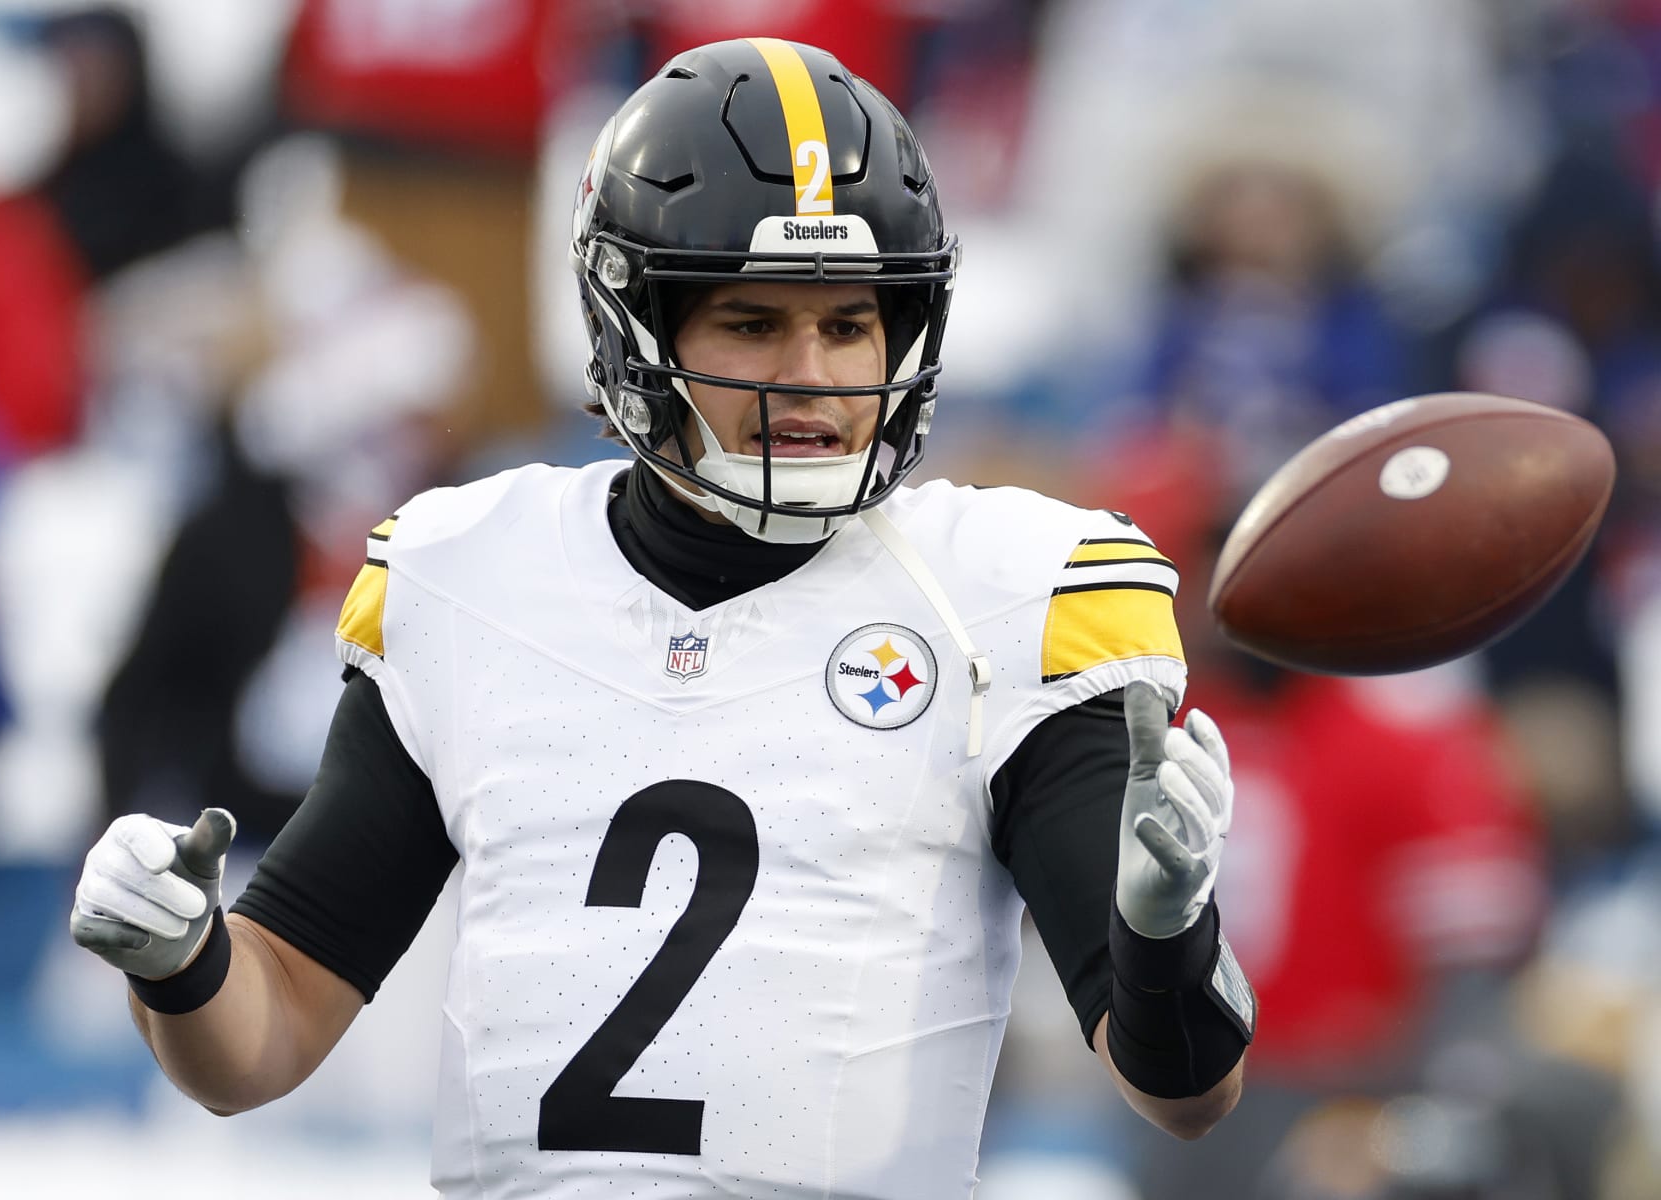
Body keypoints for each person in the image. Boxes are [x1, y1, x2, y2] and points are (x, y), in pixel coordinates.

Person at [68, 39, 1253, 1198]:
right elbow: (265, 1033)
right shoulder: (472, 578)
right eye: (753, 323)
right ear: (636, 330)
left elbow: (1186, 1090)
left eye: (851, 324)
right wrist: (182, 961)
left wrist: (1163, 941)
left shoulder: (1006, 591)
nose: (818, 375)